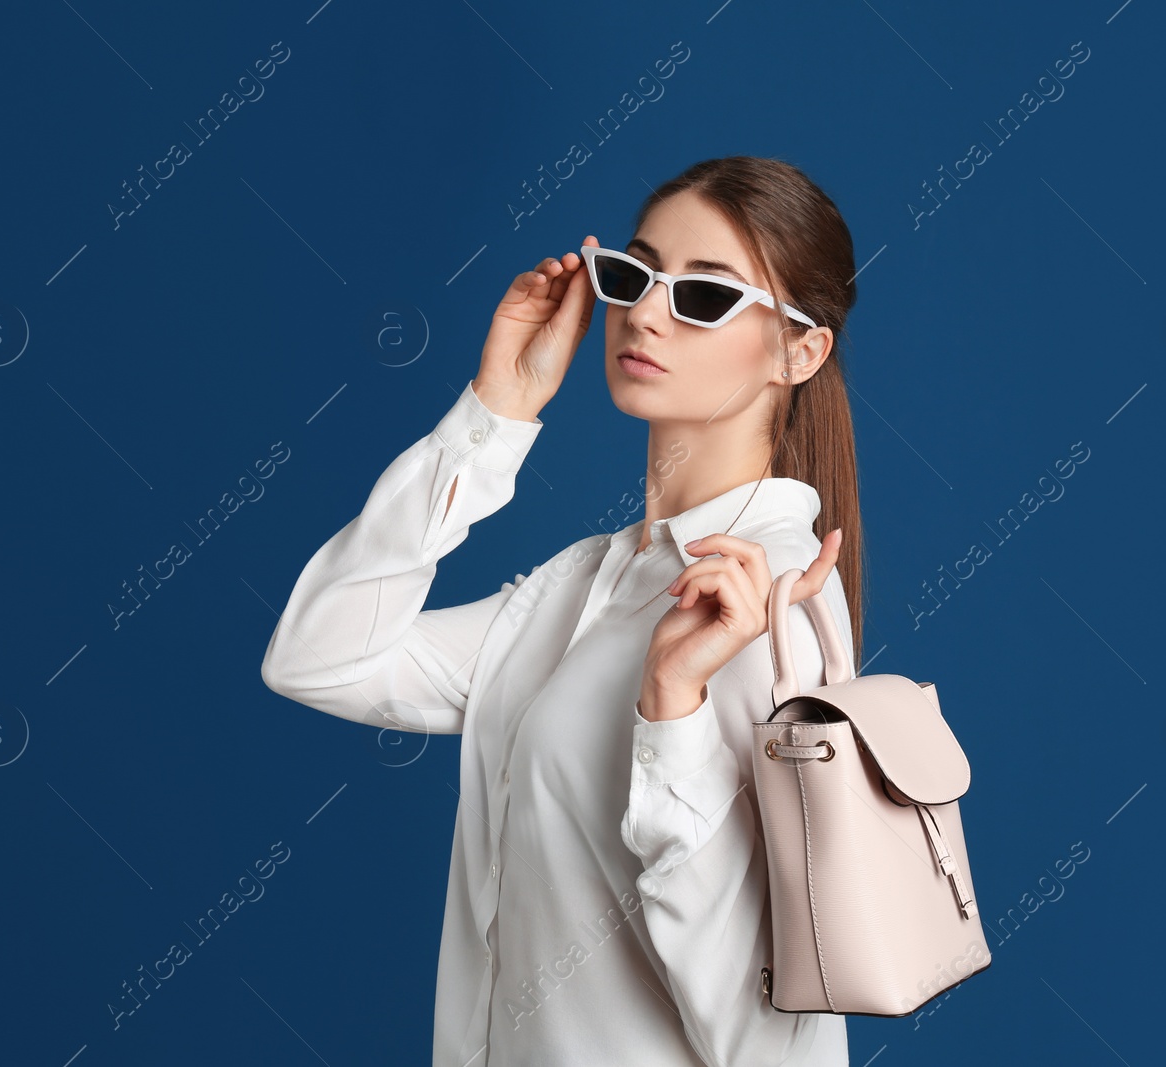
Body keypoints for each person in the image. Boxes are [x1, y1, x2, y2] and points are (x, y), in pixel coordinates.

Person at [261, 155, 865, 1066]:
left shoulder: (766, 606)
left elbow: (776, 1039)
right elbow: (318, 656)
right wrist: (493, 417)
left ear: (799, 350)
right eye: (633, 275)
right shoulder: (588, 584)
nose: (648, 313)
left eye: (705, 297)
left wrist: (674, 708)